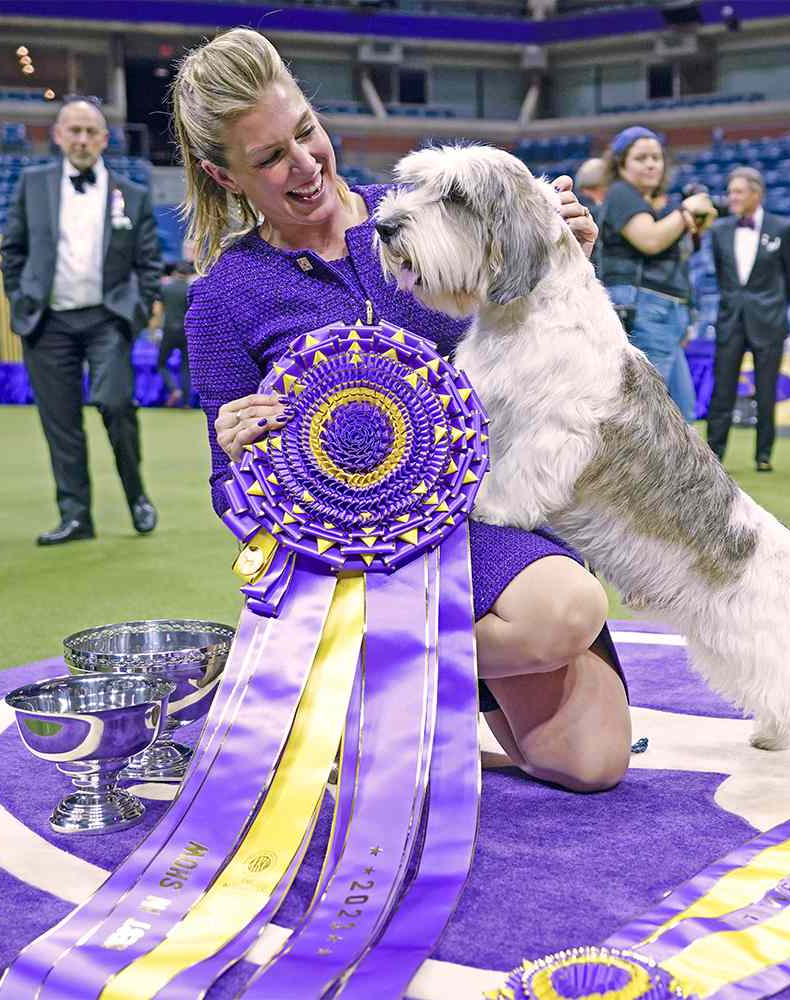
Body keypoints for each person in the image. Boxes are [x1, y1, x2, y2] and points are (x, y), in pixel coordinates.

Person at [171, 27, 628, 793]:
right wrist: (242, 458)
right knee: (567, 610)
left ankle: (354, 682)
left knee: (591, 764)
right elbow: (228, 490)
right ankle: (355, 664)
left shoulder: (427, 207)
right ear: (225, 176)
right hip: (356, 558)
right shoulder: (222, 298)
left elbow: (544, 337)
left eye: (306, 132)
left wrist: (563, 260)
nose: (306, 164)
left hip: (486, 515)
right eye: (271, 158)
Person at [1, 97, 163, 546]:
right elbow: (12, 252)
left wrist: (132, 314)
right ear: (58, 135)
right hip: (46, 322)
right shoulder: (32, 185)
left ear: (104, 140)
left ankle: (137, 497)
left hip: (106, 320)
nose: (82, 139)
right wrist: (19, 298)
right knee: (60, 421)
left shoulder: (134, 194)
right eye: (73, 130)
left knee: (115, 404)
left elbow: (149, 265)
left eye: (91, 131)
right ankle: (76, 517)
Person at [597, 126, 715, 418]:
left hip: (668, 311)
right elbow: (649, 240)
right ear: (621, 164)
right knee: (647, 411)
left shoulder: (655, 203)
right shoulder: (621, 194)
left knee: (682, 410)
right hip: (645, 308)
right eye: (641, 158)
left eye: (656, 157)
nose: (651, 164)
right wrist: (686, 212)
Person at [705, 166, 790, 473]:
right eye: (730, 192)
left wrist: (774, 308)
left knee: (767, 390)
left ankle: (764, 454)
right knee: (722, 391)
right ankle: (713, 455)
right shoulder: (719, 231)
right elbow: (723, 276)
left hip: (769, 322)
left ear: (756, 195)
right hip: (731, 319)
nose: (731, 198)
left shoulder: (783, 229)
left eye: (738, 192)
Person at [153, 260, 195, 407]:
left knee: (161, 364)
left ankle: (173, 389)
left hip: (168, 330)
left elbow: (157, 311)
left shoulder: (166, 288)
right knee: (186, 367)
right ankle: (186, 402)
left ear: (174, 273)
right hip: (186, 331)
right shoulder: (191, 289)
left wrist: (155, 330)